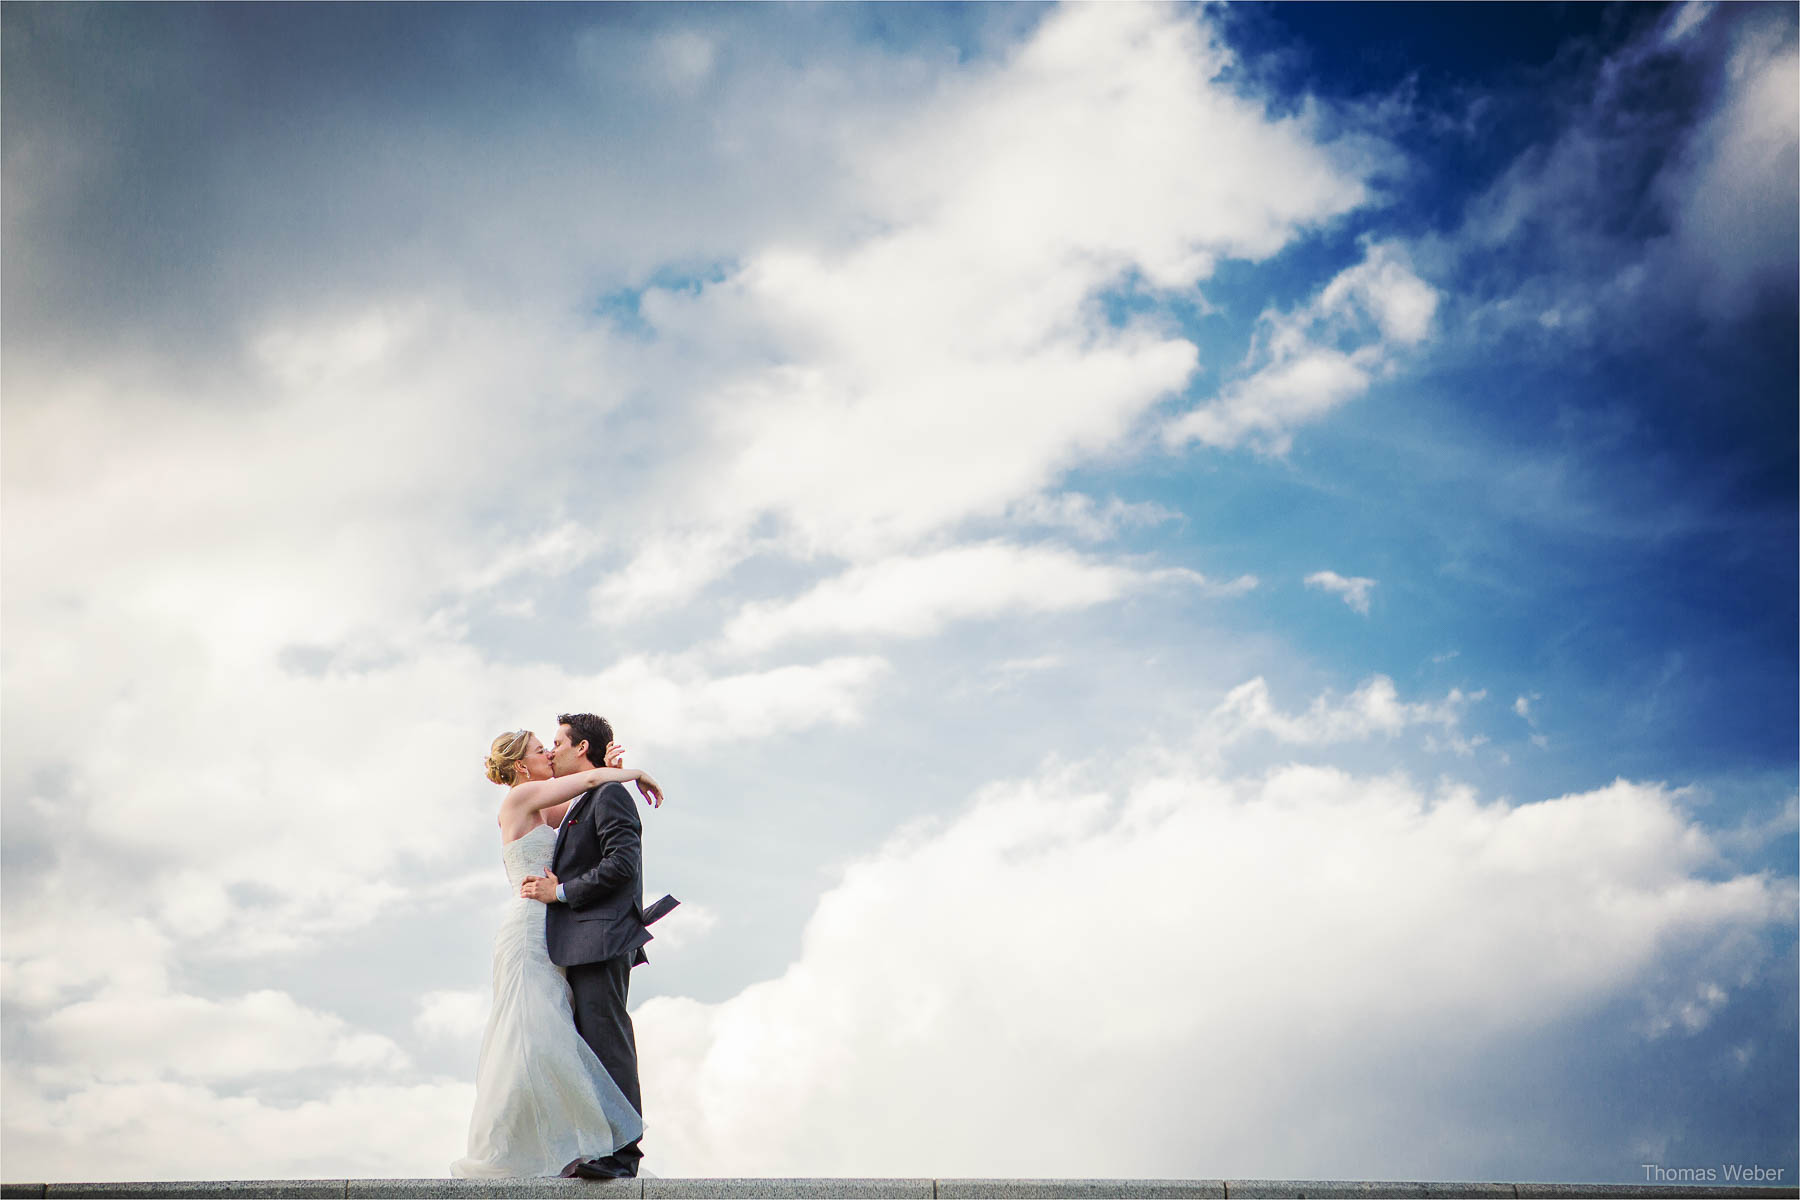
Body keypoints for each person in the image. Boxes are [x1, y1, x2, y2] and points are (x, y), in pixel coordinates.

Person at [450, 729, 665, 1179]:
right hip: (529, 928)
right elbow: (587, 785)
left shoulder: (547, 808)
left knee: (558, 1033)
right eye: (539, 749)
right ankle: (517, 1147)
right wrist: (634, 772)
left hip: (557, 932)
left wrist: (605, 766)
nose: (548, 752)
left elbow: (588, 799)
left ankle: (575, 1143)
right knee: (533, 1035)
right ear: (522, 765)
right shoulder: (520, 798)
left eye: (552, 745)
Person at [518, 712, 678, 1180]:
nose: (551, 750)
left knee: (609, 1042)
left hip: (601, 937)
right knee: (592, 1044)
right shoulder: (588, 795)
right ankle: (601, 1145)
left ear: (581, 748)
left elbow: (622, 864)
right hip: (581, 941)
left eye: (557, 742)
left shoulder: (608, 794)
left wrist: (560, 892)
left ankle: (624, 1155)